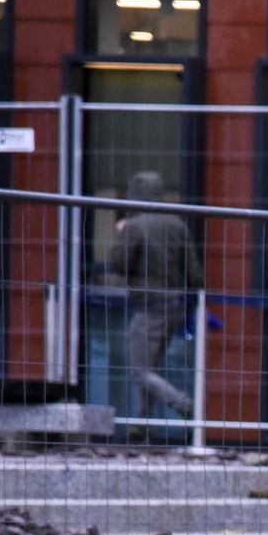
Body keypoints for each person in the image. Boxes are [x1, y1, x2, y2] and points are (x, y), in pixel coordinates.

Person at [105, 171, 201, 421]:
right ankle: (142, 423)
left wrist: (122, 233)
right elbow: (195, 275)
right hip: (175, 306)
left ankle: (181, 403)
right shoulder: (178, 224)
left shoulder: (135, 225)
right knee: (149, 369)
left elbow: (120, 264)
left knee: (139, 370)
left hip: (149, 305)